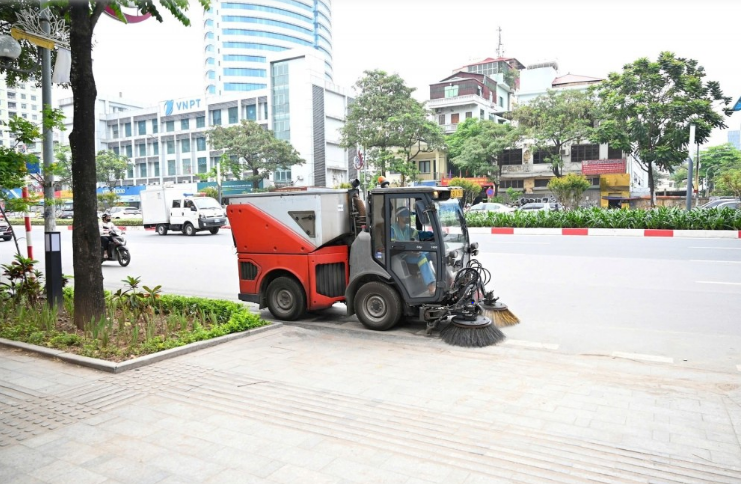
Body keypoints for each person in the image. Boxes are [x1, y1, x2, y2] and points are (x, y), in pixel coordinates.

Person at [390, 207, 436, 295]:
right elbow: (393, 245)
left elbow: (419, 233)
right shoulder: (392, 229)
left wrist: (434, 234)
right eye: (406, 216)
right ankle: (431, 287)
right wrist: (409, 252)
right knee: (422, 258)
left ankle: (439, 279)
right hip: (401, 256)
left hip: (412, 253)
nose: (409, 218)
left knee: (432, 253)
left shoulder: (408, 229)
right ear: (399, 217)